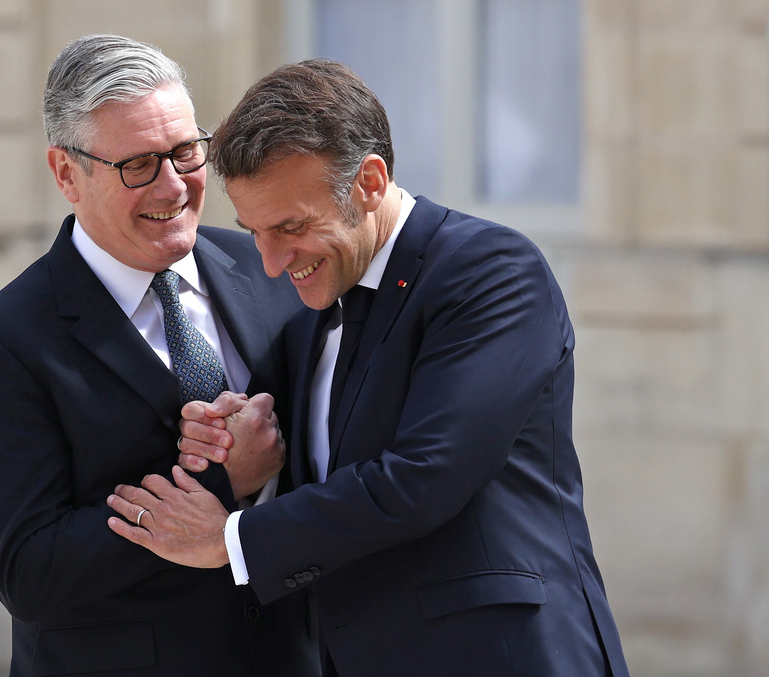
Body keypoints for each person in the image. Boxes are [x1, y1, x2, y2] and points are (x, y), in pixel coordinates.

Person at [106, 59, 630, 676]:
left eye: (291, 227)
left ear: (370, 183)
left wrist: (232, 539)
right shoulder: (308, 319)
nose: (270, 263)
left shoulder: (491, 272)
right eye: (254, 231)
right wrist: (240, 444)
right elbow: (314, 481)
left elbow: (424, 476)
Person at [0, 35, 318, 677]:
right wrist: (222, 478)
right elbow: (29, 570)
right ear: (67, 174)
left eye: (185, 152)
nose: (173, 186)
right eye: (139, 165)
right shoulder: (6, 340)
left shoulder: (273, 266)